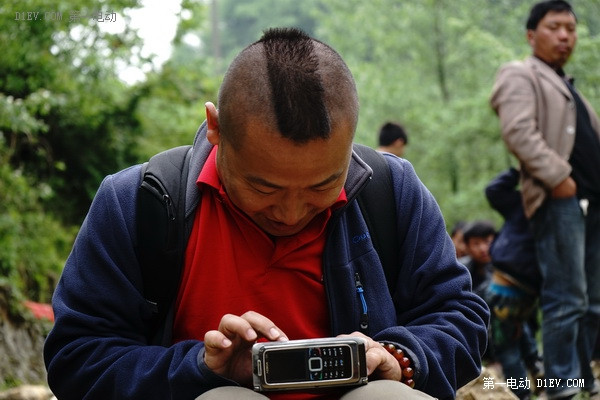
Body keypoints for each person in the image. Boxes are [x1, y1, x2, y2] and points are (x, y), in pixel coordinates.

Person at [44, 28, 489, 400]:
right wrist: (202, 367)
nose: (292, 212)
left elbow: (461, 315)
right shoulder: (139, 202)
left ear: (350, 139)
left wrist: (398, 358)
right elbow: (77, 357)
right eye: (264, 187)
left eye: (321, 186)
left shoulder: (391, 191)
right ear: (216, 128)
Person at [490, 1, 600, 398]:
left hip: (590, 203)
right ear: (531, 35)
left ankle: (584, 381)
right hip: (560, 202)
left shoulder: (566, 84)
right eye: (555, 27)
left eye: (571, 28)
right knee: (566, 299)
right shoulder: (521, 74)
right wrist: (559, 178)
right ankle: (561, 388)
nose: (565, 35)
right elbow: (518, 131)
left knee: (592, 303)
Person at [484, 167, 544, 400]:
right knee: (518, 333)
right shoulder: (525, 204)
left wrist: (520, 170)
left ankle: (522, 394)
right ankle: (533, 372)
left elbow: (494, 190)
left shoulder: (537, 207)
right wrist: (521, 170)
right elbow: (494, 190)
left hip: (509, 288)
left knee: (508, 347)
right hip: (517, 288)